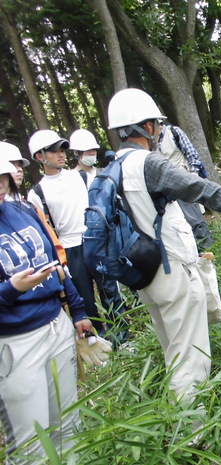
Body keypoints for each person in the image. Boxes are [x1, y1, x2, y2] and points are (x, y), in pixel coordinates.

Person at [106, 88, 221, 403]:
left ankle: (176, 413)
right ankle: (192, 434)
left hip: (143, 274)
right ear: (148, 127)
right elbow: (203, 189)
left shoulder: (112, 167)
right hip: (171, 269)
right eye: (157, 125)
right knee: (191, 355)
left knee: (173, 349)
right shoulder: (149, 164)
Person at [0, 157, 94, 464]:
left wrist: (78, 311)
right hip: (14, 343)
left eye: (2, 177)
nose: (0, 185)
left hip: (55, 325)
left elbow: (57, 265)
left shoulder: (23, 211)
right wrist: (11, 289)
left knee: (69, 422)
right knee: (31, 442)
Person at [26, 130, 128, 346]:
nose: (60, 154)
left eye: (62, 150)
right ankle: (99, 343)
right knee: (84, 299)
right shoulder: (37, 192)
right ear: (40, 157)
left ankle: (123, 338)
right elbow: (45, 228)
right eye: (53, 151)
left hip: (94, 240)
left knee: (110, 290)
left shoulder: (81, 176)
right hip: (69, 249)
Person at [0, 141, 67, 266]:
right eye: (12, 165)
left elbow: (51, 241)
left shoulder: (28, 207)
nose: (19, 169)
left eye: (19, 165)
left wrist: (61, 267)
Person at [158, 123, 214, 250]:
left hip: (184, 183)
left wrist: (192, 177)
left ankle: (209, 252)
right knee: (178, 224)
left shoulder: (173, 132)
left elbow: (192, 155)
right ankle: (193, 254)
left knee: (195, 220)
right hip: (165, 189)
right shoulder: (149, 141)